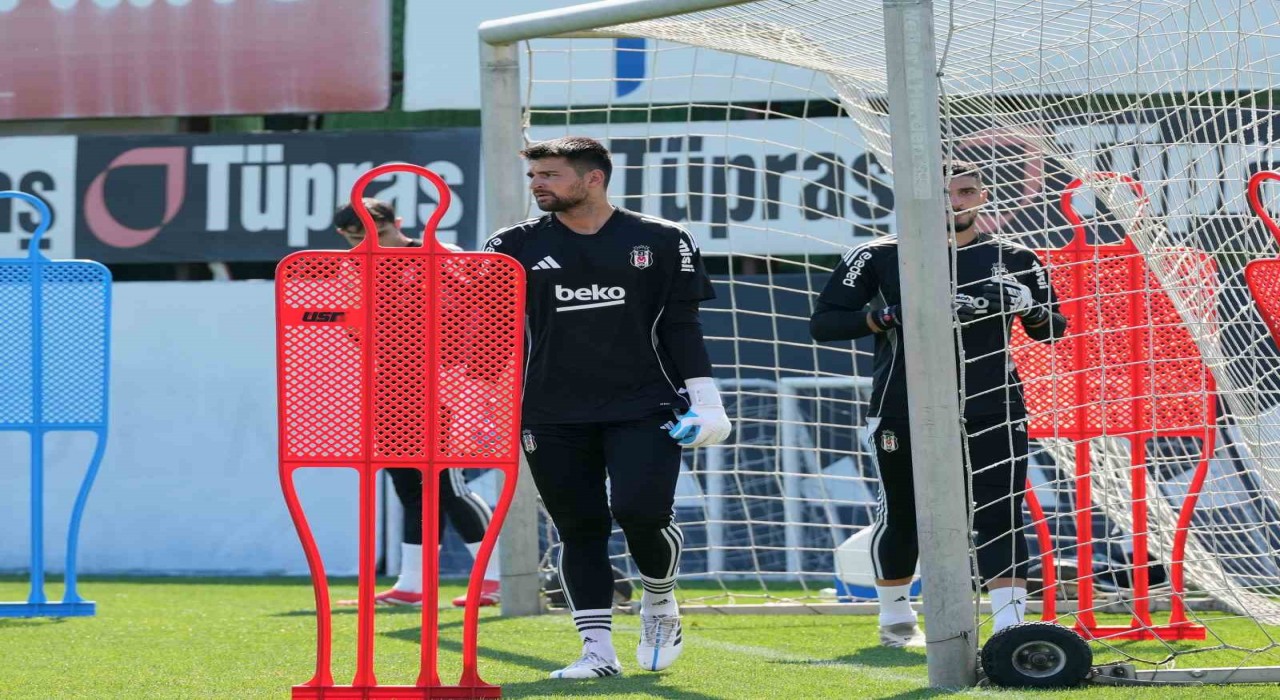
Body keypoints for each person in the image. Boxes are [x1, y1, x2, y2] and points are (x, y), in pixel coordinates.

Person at [484, 136, 731, 680]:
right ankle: (597, 653)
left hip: (645, 405)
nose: (537, 185)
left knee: (642, 513)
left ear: (593, 178)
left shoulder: (663, 239)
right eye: (533, 177)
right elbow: (487, 334)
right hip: (550, 411)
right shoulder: (508, 245)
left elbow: (682, 325)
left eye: (549, 175)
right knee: (579, 527)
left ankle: (660, 600)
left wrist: (706, 398)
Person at [810, 161, 1067, 647]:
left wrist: (1027, 305)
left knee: (1000, 509)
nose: (956, 202)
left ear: (982, 197)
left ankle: (1010, 629)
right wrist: (891, 315)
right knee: (904, 512)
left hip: (992, 402)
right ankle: (895, 619)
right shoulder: (877, 255)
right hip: (902, 404)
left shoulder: (1015, 257)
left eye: (967, 192)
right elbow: (823, 324)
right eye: (945, 194)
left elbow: (1053, 329)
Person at [332, 198, 502, 609]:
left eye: (379, 235)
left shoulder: (442, 256)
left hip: (444, 383)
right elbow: (353, 327)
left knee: (447, 482)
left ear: (398, 223)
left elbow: (481, 313)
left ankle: (494, 578)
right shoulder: (353, 266)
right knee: (407, 485)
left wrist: (466, 373)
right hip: (389, 385)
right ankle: (413, 583)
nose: (370, 246)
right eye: (357, 240)